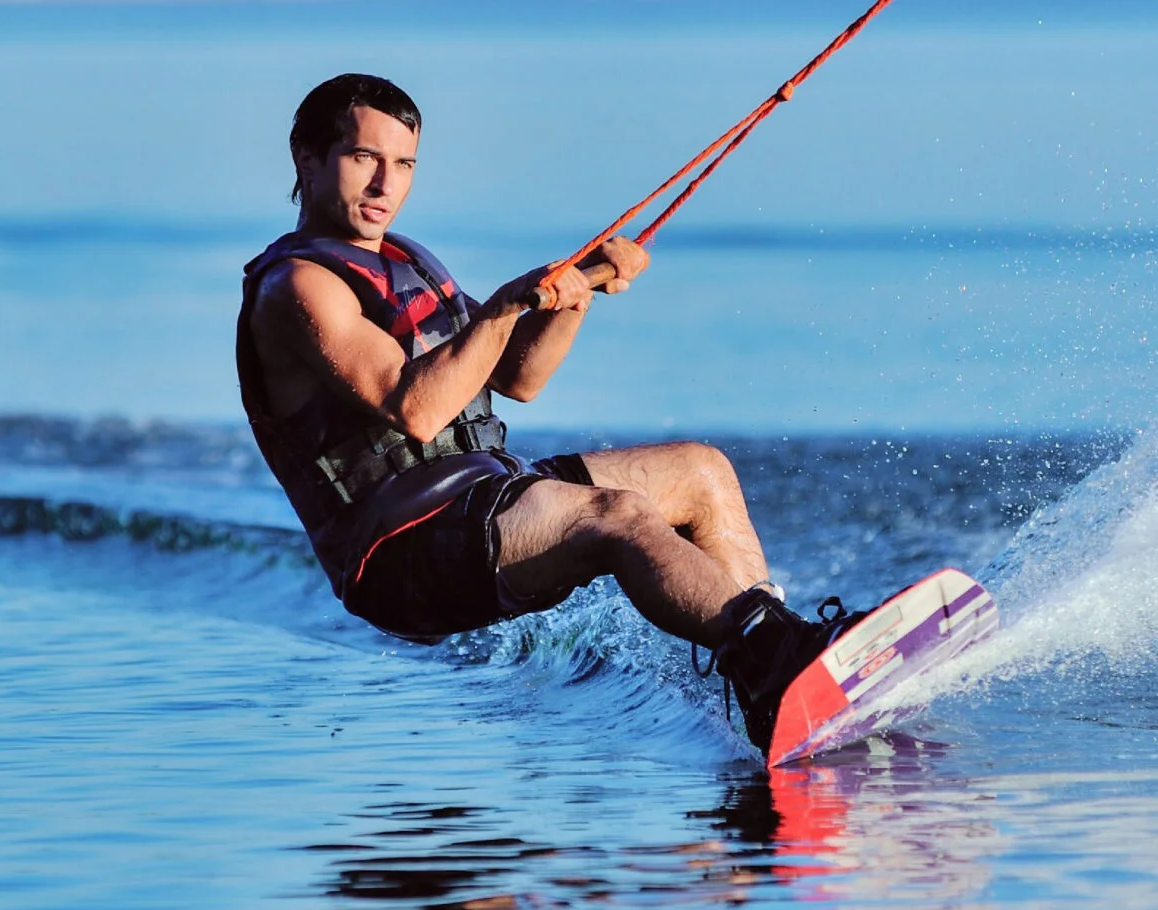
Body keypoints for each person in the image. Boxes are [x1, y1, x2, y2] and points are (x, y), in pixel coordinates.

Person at [236, 74, 863, 754]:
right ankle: (782, 653)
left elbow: (516, 376)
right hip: (401, 553)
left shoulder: (405, 259)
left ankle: (774, 688)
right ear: (306, 158)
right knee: (618, 516)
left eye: (405, 164)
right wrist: (506, 305)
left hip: (486, 498)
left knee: (700, 473)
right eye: (364, 159)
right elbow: (414, 408)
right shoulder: (296, 286)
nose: (387, 184)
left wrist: (575, 293)